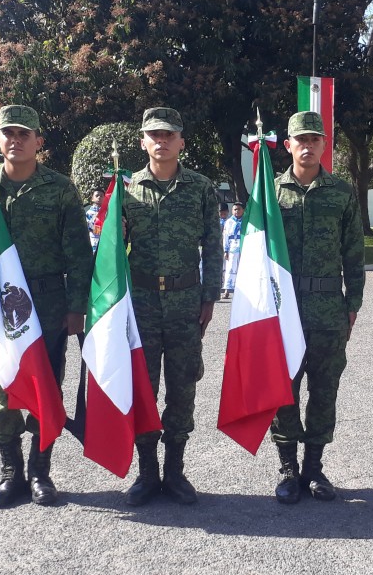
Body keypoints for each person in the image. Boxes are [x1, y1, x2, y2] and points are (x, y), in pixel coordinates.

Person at [0, 105, 93, 508]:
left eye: (23, 133)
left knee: (44, 385)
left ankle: (40, 472)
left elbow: (79, 254)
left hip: (47, 305)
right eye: (7, 134)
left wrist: (76, 308)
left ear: (39, 142)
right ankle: (10, 474)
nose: (15, 140)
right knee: (3, 384)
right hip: (1, 309)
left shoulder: (60, 188)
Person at [123, 107, 223, 506]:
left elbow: (213, 246)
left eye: (169, 134)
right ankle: (147, 474)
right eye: (154, 135)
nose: (161, 141)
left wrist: (210, 296)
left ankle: (176, 472)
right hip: (142, 303)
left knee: (182, 388)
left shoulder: (200, 187)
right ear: (143, 141)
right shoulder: (126, 189)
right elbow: (110, 251)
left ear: (181, 141)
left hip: (185, 302)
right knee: (143, 390)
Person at [270, 111, 365, 504]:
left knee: (324, 390)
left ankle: (314, 467)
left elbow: (354, 253)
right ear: (288, 145)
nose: (307, 146)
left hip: (328, 307)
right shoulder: (271, 193)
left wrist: (353, 303)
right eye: (300, 140)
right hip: (285, 309)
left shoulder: (341, 192)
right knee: (283, 391)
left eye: (315, 139)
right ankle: (289, 469)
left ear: (324, 145)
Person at [222, 201, 244, 299]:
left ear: (243, 210)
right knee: (230, 269)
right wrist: (225, 250)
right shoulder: (228, 222)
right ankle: (227, 290)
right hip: (232, 248)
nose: (237, 211)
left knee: (242, 269)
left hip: (243, 248)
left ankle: (242, 292)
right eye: (235, 209)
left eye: (239, 209)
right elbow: (225, 237)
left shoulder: (247, 221)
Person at [85, 188, 104, 253]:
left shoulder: (107, 212)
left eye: (101, 196)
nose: (99, 197)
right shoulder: (89, 213)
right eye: (97, 195)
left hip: (104, 240)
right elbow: (88, 226)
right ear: (92, 198)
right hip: (93, 240)